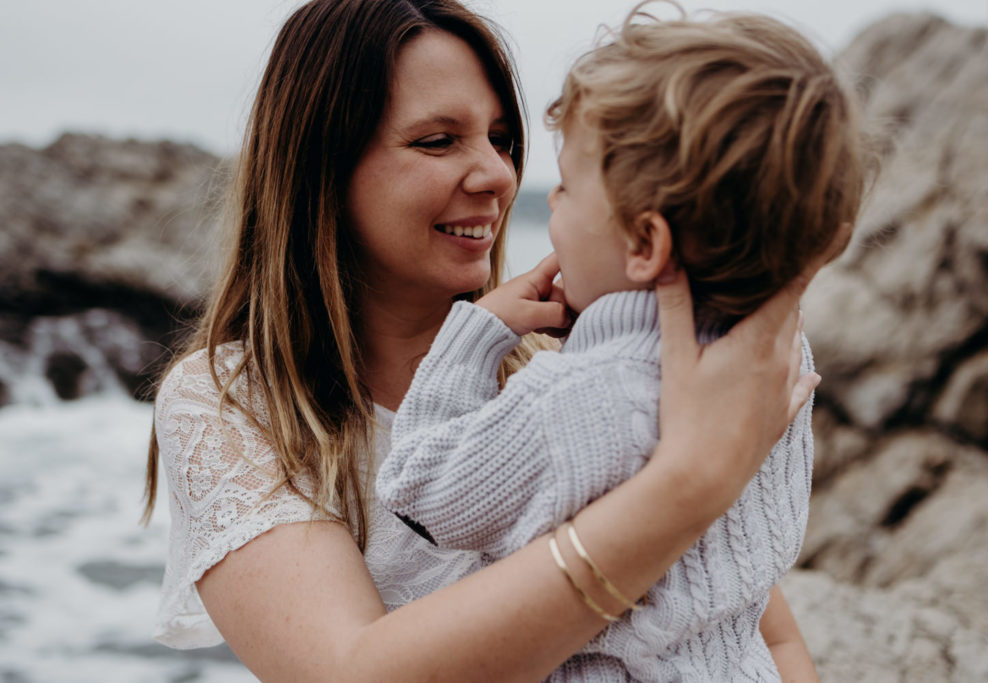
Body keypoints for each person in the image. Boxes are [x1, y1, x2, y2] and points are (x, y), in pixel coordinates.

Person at [141, 0, 831, 680]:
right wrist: (687, 485)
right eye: (438, 140)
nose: (501, 174)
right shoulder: (230, 401)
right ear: (320, 169)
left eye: (501, 138)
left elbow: (761, 630)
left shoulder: (569, 364)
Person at [377, 3, 863, 680]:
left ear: (645, 242)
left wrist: (477, 333)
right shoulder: (775, 363)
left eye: (569, 189)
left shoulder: (581, 394)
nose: (543, 201)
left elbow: (420, 488)